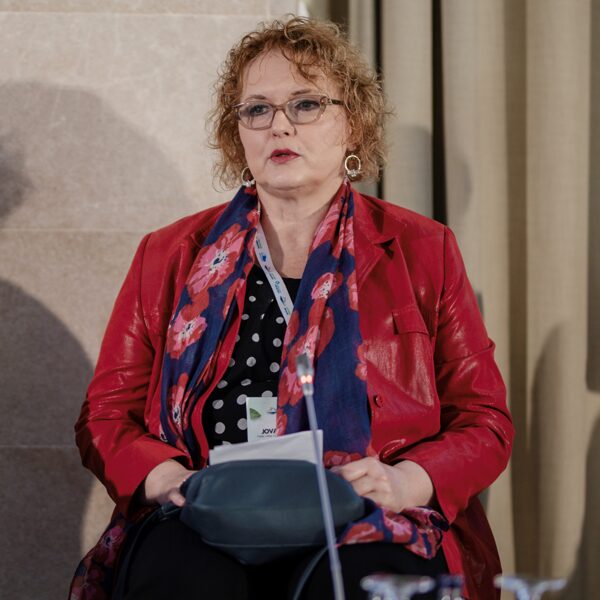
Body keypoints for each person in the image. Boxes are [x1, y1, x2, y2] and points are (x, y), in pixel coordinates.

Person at [70, 16, 513, 600]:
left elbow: (484, 420)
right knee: (183, 581)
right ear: (238, 134)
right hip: (206, 512)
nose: (279, 124)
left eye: (306, 104)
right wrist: (166, 478)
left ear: (352, 125)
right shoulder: (169, 254)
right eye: (257, 109)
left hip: (371, 516)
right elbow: (106, 416)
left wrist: (406, 481)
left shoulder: (422, 249)